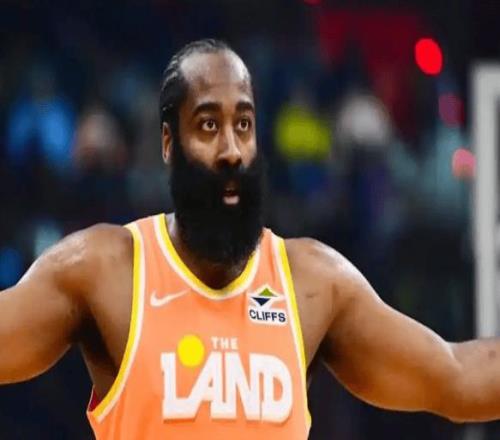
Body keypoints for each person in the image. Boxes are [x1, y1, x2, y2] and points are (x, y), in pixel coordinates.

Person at [0, 39, 498, 440]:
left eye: (243, 124)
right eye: (208, 125)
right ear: (169, 143)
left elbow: (456, 375)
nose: (231, 150)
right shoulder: (107, 270)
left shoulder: (311, 282)